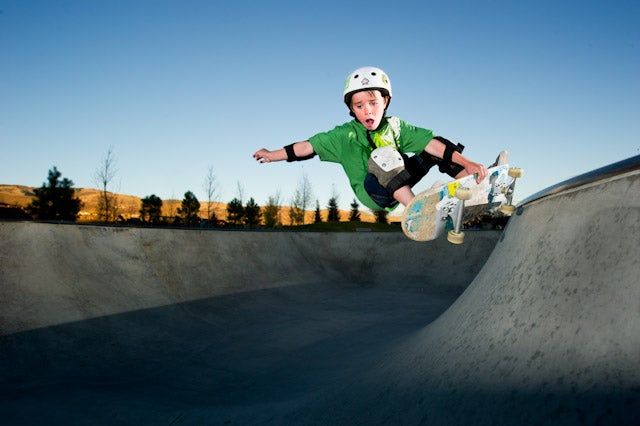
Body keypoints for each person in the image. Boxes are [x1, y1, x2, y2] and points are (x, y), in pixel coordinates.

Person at [253, 66, 489, 212]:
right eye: (359, 106)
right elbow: (306, 147)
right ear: (352, 109)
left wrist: (468, 162)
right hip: (374, 193)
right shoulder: (343, 136)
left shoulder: (396, 127)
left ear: (385, 102)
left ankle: (473, 183)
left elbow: (431, 144)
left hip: (400, 183)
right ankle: (418, 211)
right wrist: (272, 155)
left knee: (436, 144)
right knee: (382, 155)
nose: (368, 111)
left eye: (373, 103)